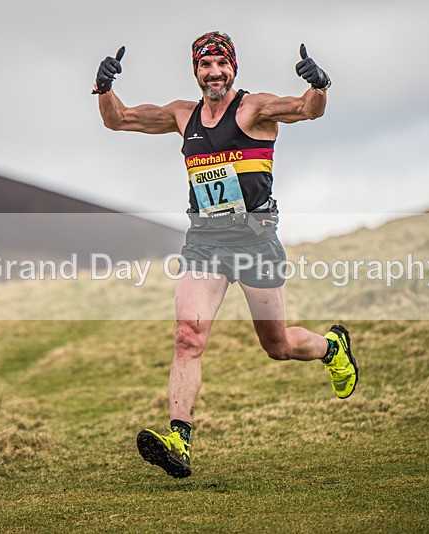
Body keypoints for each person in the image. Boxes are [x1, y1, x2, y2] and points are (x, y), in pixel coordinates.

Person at [94, 31, 358, 479]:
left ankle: (332, 348)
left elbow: (305, 110)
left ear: (233, 67)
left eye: (222, 65)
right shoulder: (183, 115)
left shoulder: (255, 108)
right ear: (195, 70)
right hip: (206, 242)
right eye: (205, 65)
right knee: (187, 337)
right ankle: (179, 439)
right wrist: (104, 89)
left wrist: (319, 86)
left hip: (255, 240)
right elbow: (119, 120)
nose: (214, 73)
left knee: (277, 345)